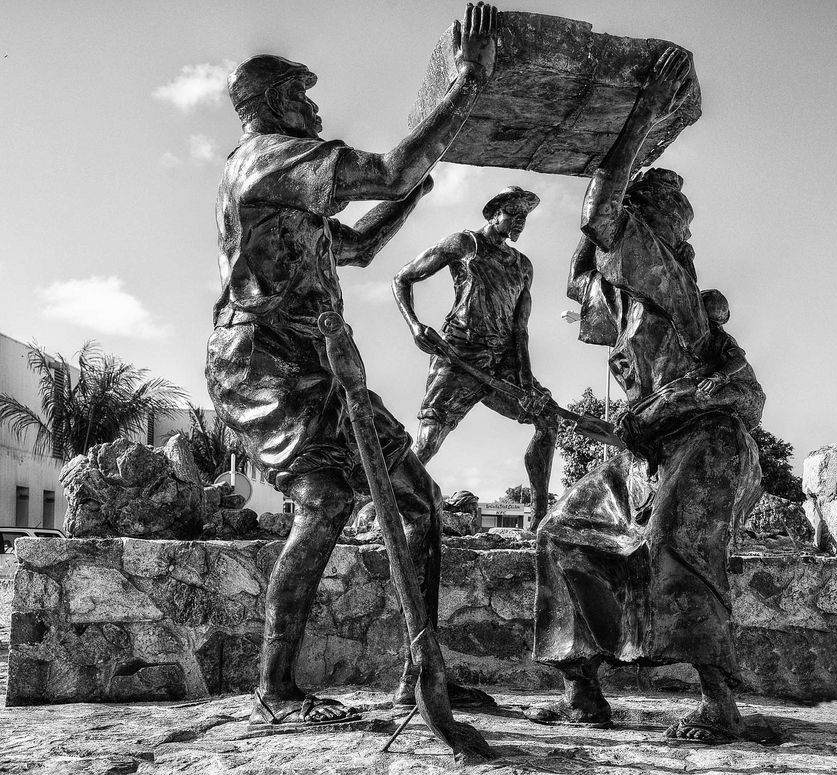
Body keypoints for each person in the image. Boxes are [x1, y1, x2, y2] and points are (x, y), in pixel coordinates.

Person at [205, 3, 500, 728]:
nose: (313, 107)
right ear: (271, 104)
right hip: (265, 362)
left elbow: (358, 248)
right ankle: (275, 688)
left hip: (321, 364)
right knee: (326, 501)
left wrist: (412, 196)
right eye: (302, 96)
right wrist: (465, 88)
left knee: (421, 503)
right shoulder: (271, 158)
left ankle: (420, 669)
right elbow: (393, 168)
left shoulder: (282, 184)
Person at [526, 47, 765, 743]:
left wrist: (639, 117)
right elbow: (582, 266)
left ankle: (720, 702)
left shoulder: (672, 282)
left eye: (676, 220)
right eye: (673, 217)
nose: (681, 230)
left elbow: (745, 394)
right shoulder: (629, 295)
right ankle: (583, 689)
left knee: (675, 545)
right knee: (559, 531)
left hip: (704, 447)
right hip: (647, 454)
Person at [393, 186, 556, 527]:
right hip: (459, 353)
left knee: (547, 418)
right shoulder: (464, 244)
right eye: (513, 213)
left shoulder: (522, 265)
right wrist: (414, 326)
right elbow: (402, 278)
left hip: (503, 360)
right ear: (494, 212)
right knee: (428, 442)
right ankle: (379, 502)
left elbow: (520, 328)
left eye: (524, 216)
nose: (520, 221)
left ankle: (541, 516)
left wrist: (526, 382)